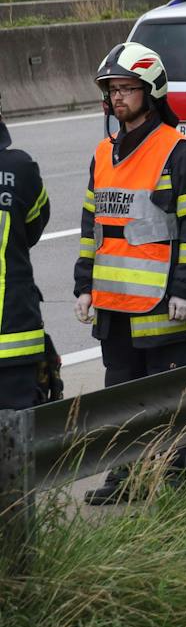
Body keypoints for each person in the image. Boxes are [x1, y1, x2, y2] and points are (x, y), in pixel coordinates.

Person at [76, 43, 186, 504]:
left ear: (151, 91)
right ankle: (125, 477)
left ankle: (178, 478)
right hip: (115, 303)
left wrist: (185, 288)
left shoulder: (178, 152)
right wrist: (84, 286)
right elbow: (92, 227)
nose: (118, 98)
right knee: (119, 394)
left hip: (164, 304)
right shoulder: (103, 153)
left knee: (172, 393)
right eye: (112, 90)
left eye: (127, 89)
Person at [0, 92, 50, 411]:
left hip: (16, 340)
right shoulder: (20, 167)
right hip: (15, 335)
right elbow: (34, 226)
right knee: (19, 446)